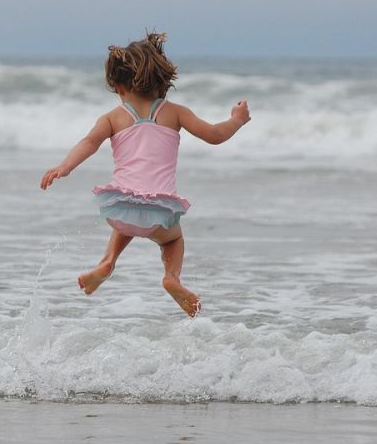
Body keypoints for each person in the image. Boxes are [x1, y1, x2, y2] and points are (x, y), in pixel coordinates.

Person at [40, 32, 250, 317]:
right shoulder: (175, 113)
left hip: (119, 208)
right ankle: (172, 278)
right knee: (173, 240)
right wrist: (237, 120)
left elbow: (89, 142)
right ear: (162, 81)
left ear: (119, 86)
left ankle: (107, 262)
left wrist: (64, 167)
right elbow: (214, 135)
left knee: (129, 213)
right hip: (160, 212)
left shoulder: (112, 117)